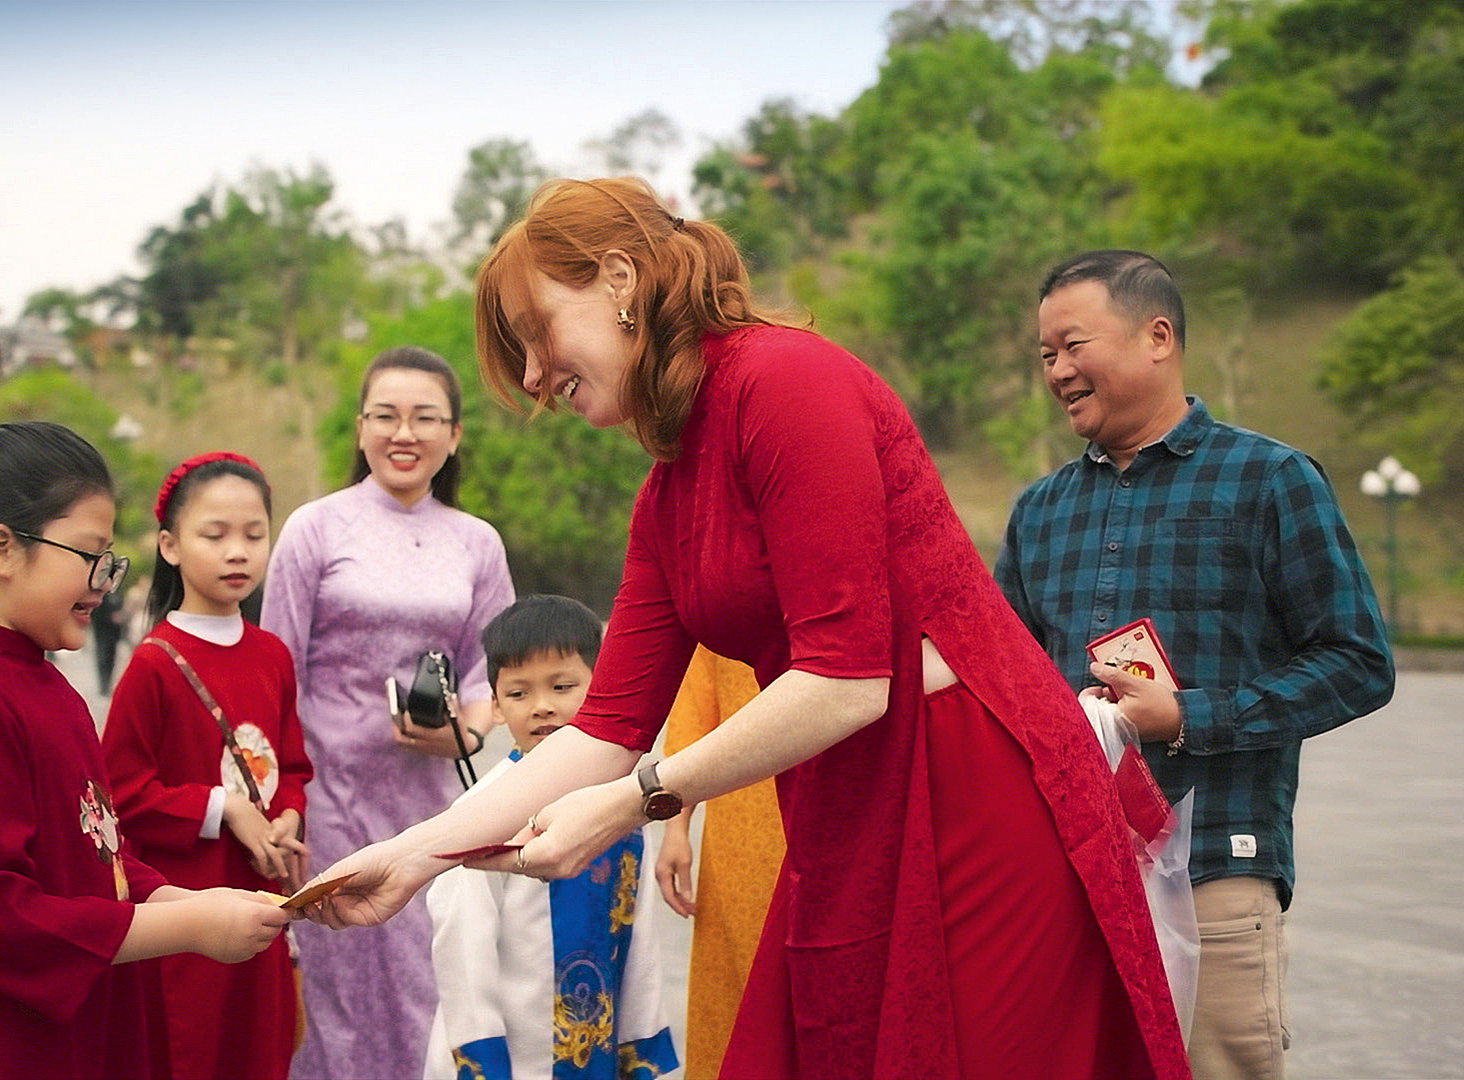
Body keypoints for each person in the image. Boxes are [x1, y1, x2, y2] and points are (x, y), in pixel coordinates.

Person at [302, 178, 1189, 1080]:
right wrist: (413, 859)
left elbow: (846, 680)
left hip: (969, 793)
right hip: (845, 805)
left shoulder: (784, 380)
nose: (532, 377)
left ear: (618, 278)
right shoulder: (667, 489)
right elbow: (607, 728)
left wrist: (640, 800)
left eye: (535, 334)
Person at [994, 250, 1395, 1080]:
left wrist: (1189, 717)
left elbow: (1358, 661)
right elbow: (1006, 687)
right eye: (1045, 356)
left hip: (1216, 870)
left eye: (1073, 346)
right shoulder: (1040, 511)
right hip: (1069, 882)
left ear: (1158, 337)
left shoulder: (1269, 479)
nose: (1058, 371)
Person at [0, 422, 293, 1080]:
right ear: (1, 549)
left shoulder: (41, 680)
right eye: (91, 555)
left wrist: (198, 903)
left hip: (65, 1025)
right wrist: (187, 929)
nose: (104, 580)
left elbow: (105, 860)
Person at [262, 345, 516, 1078]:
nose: (404, 434)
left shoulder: (478, 543)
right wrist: (283, 798)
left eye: (425, 418)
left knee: (421, 977)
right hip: (324, 795)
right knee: (332, 979)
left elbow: (490, 675)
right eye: (386, 416)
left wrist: (462, 732)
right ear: (361, 427)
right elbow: (276, 668)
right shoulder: (315, 528)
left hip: (426, 805)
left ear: (455, 435)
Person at [102, 451, 313, 1080]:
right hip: (186, 908)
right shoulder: (155, 664)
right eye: (214, 535)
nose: (237, 552)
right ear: (169, 545)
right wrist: (226, 811)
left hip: (262, 897)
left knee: (261, 1046)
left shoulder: (273, 654)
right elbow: (119, 792)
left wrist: (289, 819)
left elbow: (293, 764)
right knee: (192, 1049)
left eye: (253, 534)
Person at [422, 594, 677, 1080]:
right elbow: (462, 944)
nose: (542, 707)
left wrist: (639, 1047)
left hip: (599, 1050)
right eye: (519, 694)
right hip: (516, 1053)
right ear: (494, 706)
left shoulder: (619, 802)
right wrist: (483, 1059)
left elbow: (638, 934)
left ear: (600, 686)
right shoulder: (483, 814)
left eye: (562, 686)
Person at [652, 646, 782, 1079]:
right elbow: (695, 713)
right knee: (739, 991)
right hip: (743, 829)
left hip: (848, 812)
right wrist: (676, 825)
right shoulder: (722, 589)